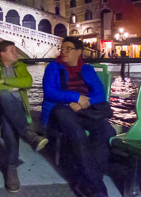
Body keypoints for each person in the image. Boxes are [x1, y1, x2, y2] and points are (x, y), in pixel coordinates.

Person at [41, 37, 116, 197]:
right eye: (63, 48)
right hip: (59, 110)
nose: (64, 51)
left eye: (68, 48)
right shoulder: (53, 68)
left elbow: (100, 94)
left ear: (79, 52)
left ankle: (86, 180)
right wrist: (75, 97)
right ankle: (97, 188)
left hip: (84, 110)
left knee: (107, 131)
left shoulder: (87, 69)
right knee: (78, 134)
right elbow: (50, 92)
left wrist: (82, 103)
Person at [0, 40, 48, 193]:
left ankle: (11, 171)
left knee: (8, 123)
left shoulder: (20, 66)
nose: (16, 53)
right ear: (2, 53)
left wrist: (4, 80)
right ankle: (29, 135)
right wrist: (12, 87)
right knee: (3, 95)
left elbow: (28, 81)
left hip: (14, 109)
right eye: (12, 51)